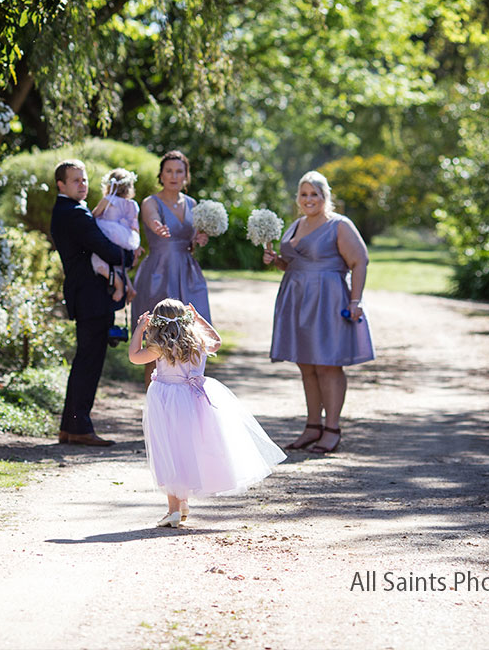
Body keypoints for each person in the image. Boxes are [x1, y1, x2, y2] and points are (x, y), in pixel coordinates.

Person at [129, 298, 285, 527]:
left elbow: (134, 356)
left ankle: (173, 509)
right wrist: (200, 319)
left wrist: (139, 330)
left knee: (171, 451)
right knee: (188, 449)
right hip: (193, 400)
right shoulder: (198, 341)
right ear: (188, 319)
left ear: (156, 323)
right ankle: (181, 503)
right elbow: (218, 342)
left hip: (166, 399)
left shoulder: (159, 346)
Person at [263, 170, 375, 453]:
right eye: (303, 194)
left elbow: (359, 261)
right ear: (298, 198)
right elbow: (291, 264)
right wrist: (275, 260)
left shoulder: (339, 225)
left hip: (328, 300)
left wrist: (355, 301)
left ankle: (332, 428)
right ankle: (312, 426)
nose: (308, 199)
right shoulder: (295, 225)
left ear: (326, 196)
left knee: (327, 364)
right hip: (297, 300)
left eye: (314, 194)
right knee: (306, 364)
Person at [50, 159, 134, 447]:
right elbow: (107, 249)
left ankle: (71, 427)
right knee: (89, 361)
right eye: (76, 180)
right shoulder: (74, 213)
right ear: (60, 184)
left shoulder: (71, 210)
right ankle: (79, 428)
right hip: (90, 295)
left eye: (84, 180)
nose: (82, 185)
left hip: (86, 293)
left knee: (86, 360)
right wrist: (131, 257)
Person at [131, 150, 212, 386]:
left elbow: (192, 239)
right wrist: (157, 227)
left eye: (179, 171)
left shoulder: (192, 203)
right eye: (169, 171)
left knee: (191, 342)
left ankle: (185, 406)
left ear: (186, 176)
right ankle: (154, 405)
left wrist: (198, 240)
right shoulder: (150, 202)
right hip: (159, 273)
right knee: (156, 344)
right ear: (161, 175)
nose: (174, 176)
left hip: (187, 274)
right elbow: (151, 218)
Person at [89, 168, 141, 305]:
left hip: (109, 232)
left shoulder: (108, 200)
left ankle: (119, 287)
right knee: (120, 263)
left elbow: (93, 215)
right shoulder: (133, 204)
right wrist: (136, 246)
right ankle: (130, 287)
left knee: (98, 261)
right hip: (126, 237)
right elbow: (134, 225)